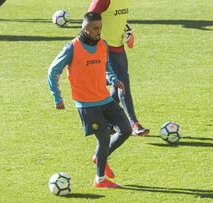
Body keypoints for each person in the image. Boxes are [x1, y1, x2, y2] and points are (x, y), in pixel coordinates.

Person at [47, 12, 132, 188]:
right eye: (94, 28)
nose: (98, 31)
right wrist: (57, 97)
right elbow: (53, 71)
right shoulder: (71, 48)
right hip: (87, 105)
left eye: (100, 28)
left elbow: (106, 66)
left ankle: (100, 156)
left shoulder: (103, 45)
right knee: (103, 139)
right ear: (84, 28)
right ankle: (100, 180)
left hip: (105, 99)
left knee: (126, 129)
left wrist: (113, 79)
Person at [88, 0, 150, 136]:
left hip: (118, 48)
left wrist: (128, 32)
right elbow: (89, 20)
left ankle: (107, 122)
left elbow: (119, 20)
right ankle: (134, 123)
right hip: (104, 48)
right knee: (123, 82)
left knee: (116, 87)